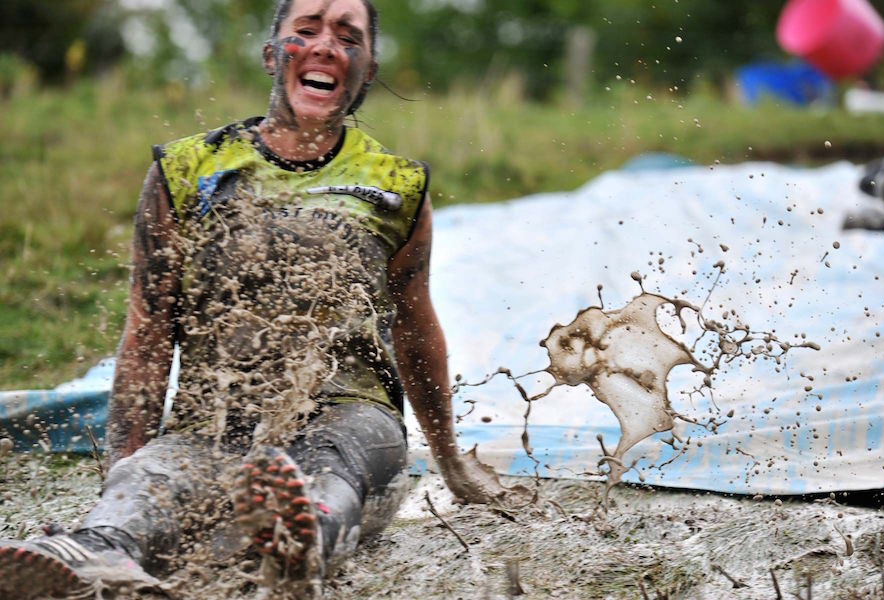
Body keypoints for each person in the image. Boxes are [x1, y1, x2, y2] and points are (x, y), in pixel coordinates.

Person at [0, 0, 515, 597]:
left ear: (367, 71)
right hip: (215, 422)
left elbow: (416, 332)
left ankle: (300, 543)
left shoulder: (396, 186)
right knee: (153, 477)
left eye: (348, 37)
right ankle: (96, 549)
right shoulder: (189, 169)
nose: (326, 45)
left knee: (332, 464)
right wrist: (121, 466)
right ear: (273, 54)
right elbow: (147, 333)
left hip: (353, 417)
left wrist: (451, 463)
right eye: (307, 30)